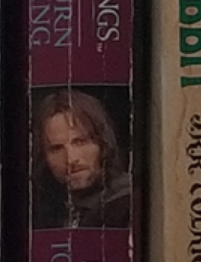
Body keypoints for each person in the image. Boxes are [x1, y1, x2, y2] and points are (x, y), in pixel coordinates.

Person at [31, 88, 132, 229]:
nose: (70, 159)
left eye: (80, 142)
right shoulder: (45, 211)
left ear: (102, 143)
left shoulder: (130, 205)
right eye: (56, 149)